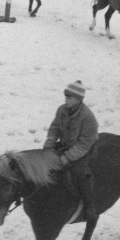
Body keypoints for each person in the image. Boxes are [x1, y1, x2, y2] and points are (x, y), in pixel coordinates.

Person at [44, 80, 99, 221]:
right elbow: (54, 128)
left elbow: (84, 144)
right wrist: (49, 147)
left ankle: (90, 206)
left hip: (84, 150)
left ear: (78, 99)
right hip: (65, 145)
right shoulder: (61, 110)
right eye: (65, 97)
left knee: (80, 173)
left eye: (69, 98)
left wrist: (67, 157)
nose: (66, 101)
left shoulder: (88, 118)